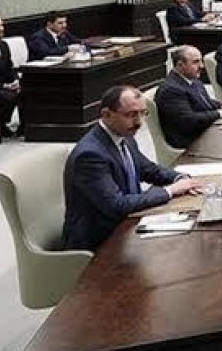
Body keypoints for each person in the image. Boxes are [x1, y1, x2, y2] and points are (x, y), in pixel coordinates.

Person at [62, 85, 205, 251]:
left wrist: (180, 178)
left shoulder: (124, 136)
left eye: (143, 113)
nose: (139, 122)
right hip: (100, 241)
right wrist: (170, 190)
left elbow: (148, 169)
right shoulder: (90, 155)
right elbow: (117, 205)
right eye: (131, 115)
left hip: (128, 223)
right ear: (106, 114)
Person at [155, 46, 222, 149]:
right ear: (180, 65)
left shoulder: (193, 80)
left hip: (205, 131)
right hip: (192, 143)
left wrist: (221, 105)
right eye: (196, 62)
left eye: (201, 61)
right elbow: (188, 120)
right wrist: (219, 113)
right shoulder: (171, 90)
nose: (202, 66)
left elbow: (203, 101)